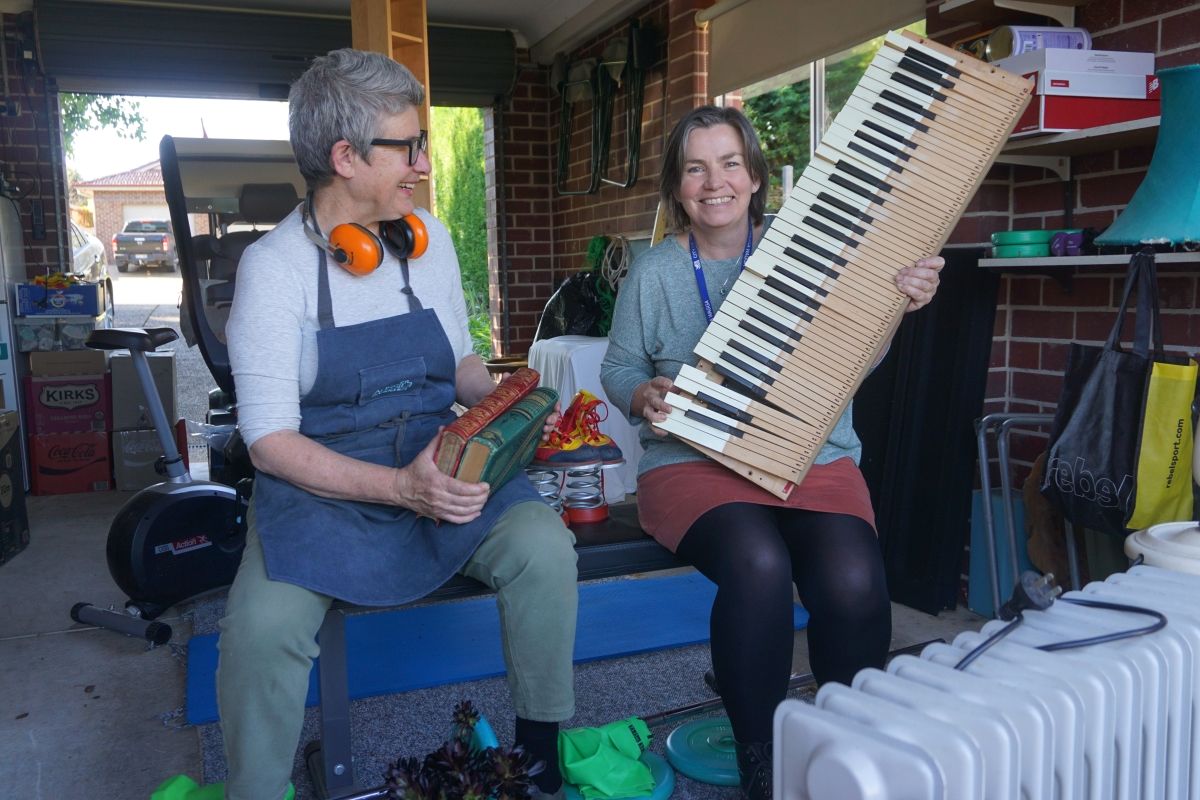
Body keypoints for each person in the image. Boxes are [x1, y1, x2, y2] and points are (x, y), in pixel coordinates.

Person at [217, 49, 577, 800]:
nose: (422, 163)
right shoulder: (274, 269)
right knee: (261, 631)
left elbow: (458, 363)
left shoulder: (428, 239)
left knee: (544, 547)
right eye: (406, 146)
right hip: (322, 483)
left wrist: (510, 394)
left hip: (436, 458)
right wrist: (399, 488)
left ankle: (538, 757)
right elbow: (270, 442)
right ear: (345, 157)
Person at [599, 105, 944, 800]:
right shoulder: (655, 272)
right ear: (677, 186)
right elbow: (619, 369)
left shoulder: (815, 259)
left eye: (729, 163)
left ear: (755, 177)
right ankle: (763, 758)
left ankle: (848, 748)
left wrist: (896, 305)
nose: (714, 181)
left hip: (813, 456)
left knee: (850, 580)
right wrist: (643, 398)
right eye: (695, 168)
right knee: (758, 564)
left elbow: (856, 363)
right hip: (695, 462)